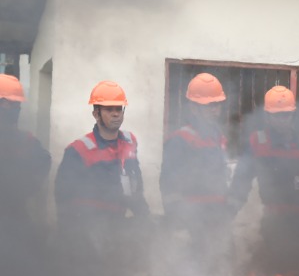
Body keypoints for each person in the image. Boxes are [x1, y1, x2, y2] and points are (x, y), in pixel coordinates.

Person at [232, 86, 299, 276]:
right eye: (277, 115)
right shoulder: (258, 142)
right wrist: (230, 208)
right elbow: (241, 179)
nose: (282, 119)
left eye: (286, 115)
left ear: (292, 115)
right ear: (268, 117)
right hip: (278, 225)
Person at [54, 80, 149, 264]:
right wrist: (68, 237)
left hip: (118, 228)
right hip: (87, 232)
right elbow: (63, 198)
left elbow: (135, 186)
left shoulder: (130, 142)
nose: (115, 114)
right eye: (109, 109)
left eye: (119, 109)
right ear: (96, 114)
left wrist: (145, 219)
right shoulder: (79, 150)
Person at [161, 72, 239, 264]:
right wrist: (179, 224)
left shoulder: (218, 139)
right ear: (194, 108)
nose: (214, 110)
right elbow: (168, 185)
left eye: (217, 105)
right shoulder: (180, 139)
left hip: (217, 221)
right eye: (208, 106)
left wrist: (226, 215)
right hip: (193, 222)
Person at [0, 72, 50, 229]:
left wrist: (26, 187)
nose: (15, 109)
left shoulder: (27, 141)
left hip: (13, 218)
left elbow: (44, 161)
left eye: (17, 104)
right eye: (9, 103)